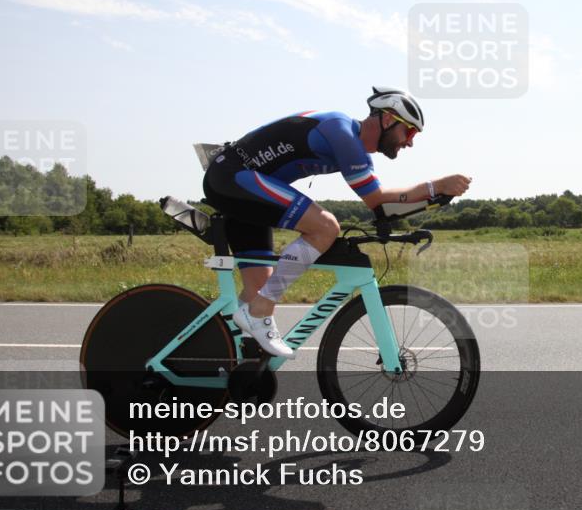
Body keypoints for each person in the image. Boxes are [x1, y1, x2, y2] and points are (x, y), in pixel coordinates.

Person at [202, 87, 471, 357]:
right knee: (325, 226)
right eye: (409, 132)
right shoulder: (341, 131)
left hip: (246, 192)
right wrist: (435, 185)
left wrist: (435, 197)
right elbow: (376, 198)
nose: (410, 142)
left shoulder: (356, 150)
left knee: (255, 293)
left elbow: (382, 206)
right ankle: (261, 310)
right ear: (388, 120)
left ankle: (211, 352)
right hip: (233, 178)